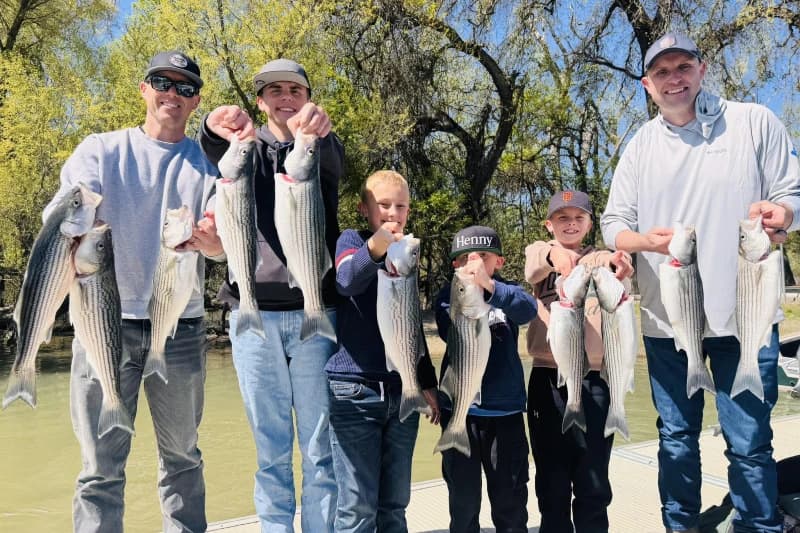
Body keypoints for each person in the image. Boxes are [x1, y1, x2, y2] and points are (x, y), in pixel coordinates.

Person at [600, 31, 800, 533]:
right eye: (662, 72)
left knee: (751, 443)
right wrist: (643, 242)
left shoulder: (755, 122)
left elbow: (791, 192)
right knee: (674, 440)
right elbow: (612, 225)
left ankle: (759, 526)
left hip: (746, 320)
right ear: (648, 85)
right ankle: (680, 526)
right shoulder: (639, 147)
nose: (674, 79)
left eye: (683, 67)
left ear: (702, 68)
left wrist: (785, 212)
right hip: (668, 326)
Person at [44, 50, 222, 532]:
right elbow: (62, 214)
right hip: (103, 322)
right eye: (162, 81)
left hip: (180, 328)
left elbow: (226, 246)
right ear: (144, 89)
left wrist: (215, 242)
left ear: (196, 101)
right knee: (99, 469)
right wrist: (76, 222)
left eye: (185, 88)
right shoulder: (100, 149)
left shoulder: (209, 166)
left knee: (183, 459)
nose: (173, 93)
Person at [198, 58, 343, 531]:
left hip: (313, 317)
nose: (286, 98)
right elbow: (216, 147)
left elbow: (330, 161)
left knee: (321, 447)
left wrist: (316, 136)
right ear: (260, 101)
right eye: (274, 90)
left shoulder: (321, 147)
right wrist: (212, 124)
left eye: (295, 91)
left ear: (307, 99)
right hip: (250, 316)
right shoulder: (247, 151)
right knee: (270, 449)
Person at [328, 169, 440, 532]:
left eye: (401, 206)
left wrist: (426, 382)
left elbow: (409, 324)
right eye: (384, 205)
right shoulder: (351, 240)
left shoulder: (406, 252)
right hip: (354, 391)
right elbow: (346, 281)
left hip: (401, 389)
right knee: (357, 508)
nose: (393, 213)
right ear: (364, 209)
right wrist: (376, 246)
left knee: (394, 505)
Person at [525, 190, 634, 533]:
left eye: (578, 218)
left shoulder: (600, 258)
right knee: (551, 481)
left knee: (593, 481)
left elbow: (616, 270)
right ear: (549, 224)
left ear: (590, 223)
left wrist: (621, 266)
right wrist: (554, 253)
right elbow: (533, 263)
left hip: (597, 382)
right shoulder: (539, 255)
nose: (571, 224)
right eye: (562, 218)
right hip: (548, 381)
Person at [434, 225, 538, 533]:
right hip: (461, 416)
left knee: (510, 502)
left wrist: (490, 287)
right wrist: (467, 293)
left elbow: (527, 310)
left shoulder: (508, 292)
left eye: (483, 256)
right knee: (463, 502)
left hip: (504, 415)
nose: (474, 263)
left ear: (499, 262)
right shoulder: (448, 296)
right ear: (455, 265)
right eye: (465, 257)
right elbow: (444, 328)